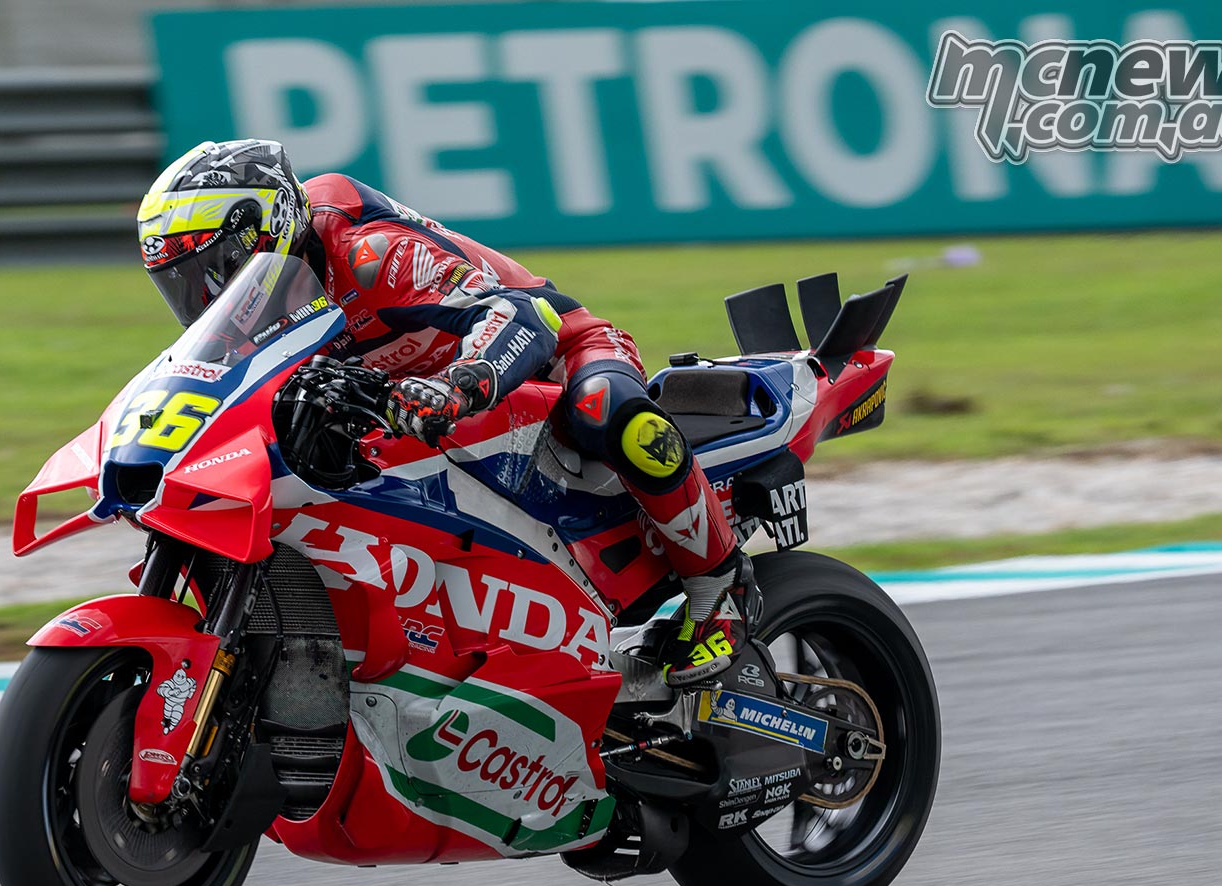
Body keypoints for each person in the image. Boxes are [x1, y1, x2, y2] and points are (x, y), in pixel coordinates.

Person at [136, 139, 760, 686]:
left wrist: (458, 385)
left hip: (553, 352)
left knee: (611, 411)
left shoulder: (369, 254)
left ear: (263, 233)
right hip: (421, 407)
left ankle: (720, 589)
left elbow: (524, 316)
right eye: (179, 285)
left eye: (210, 274)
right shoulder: (260, 310)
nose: (202, 300)